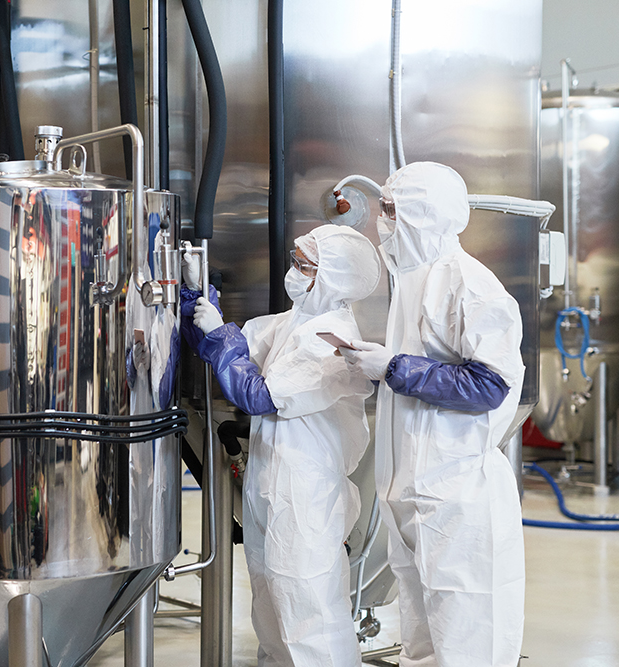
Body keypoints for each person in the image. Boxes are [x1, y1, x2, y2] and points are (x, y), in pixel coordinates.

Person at [341, 161, 526, 667]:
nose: (383, 223)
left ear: (426, 215)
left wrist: (395, 367)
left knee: (466, 632)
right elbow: (424, 365)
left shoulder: (472, 286)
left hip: (455, 492)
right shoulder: (413, 280)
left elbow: (490, 384)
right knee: (422, 634)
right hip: (411, 490)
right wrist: (378, 364)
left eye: (393, 211)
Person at [185, 224, 381, 667]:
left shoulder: (332, 341)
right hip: (271, 482)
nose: (293, 271)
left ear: (331, 279)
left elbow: (260, 394)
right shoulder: (296, 321)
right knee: (271, 604)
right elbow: (231, 348)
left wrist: (218, 336)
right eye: (294, 260)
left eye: (303, 265)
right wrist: (197, 296)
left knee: (308, 608)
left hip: (306, 492)